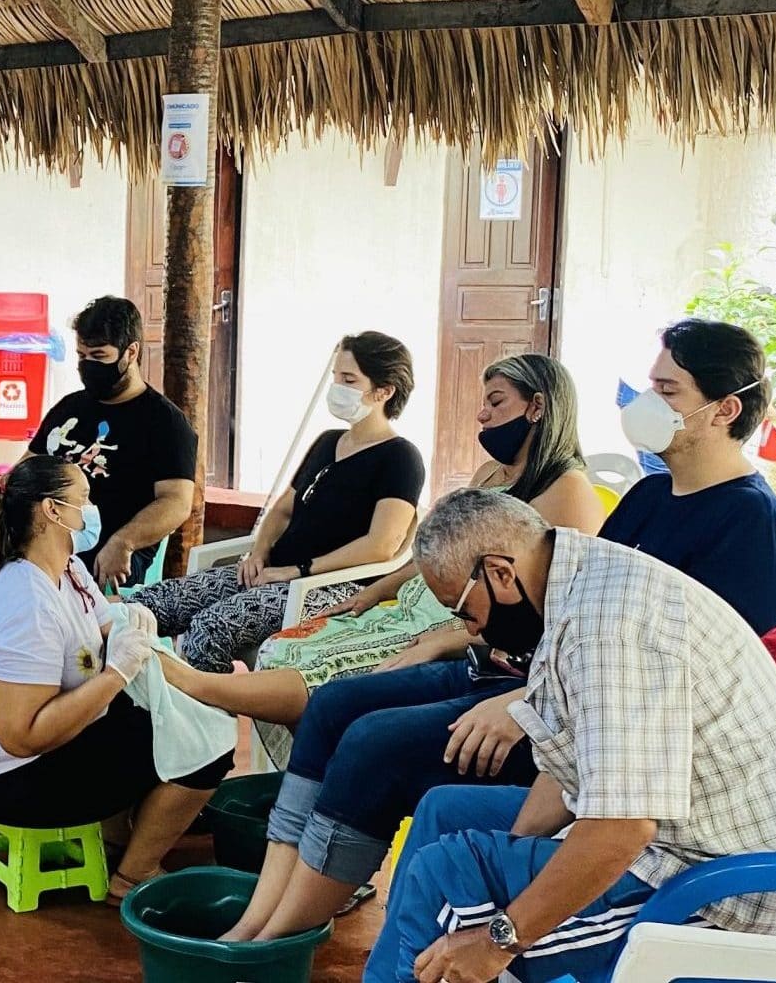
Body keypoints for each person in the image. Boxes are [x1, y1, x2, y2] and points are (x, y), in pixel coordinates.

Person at [364, 489, 776, 983]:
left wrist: (502, 935)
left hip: (725, 897)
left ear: (500, 573)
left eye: (463, 610)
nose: (471, 628)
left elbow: (623, 828)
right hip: (686, 837)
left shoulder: (609, 627)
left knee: (445, 877)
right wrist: (512, 861)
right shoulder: (574, 582)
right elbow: (571, 771)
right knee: (444, 812)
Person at [166, 353, 603, 763]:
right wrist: (373, 593)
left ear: (538, 407)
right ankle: (311, 770)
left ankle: (210, 692)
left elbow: (553, 609)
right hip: (412, 602)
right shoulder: (491, 474)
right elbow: (436, 551)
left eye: (496, 402)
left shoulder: (569, 491)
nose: (482, 416)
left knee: (336, 672)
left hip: (458, 619)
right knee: (286, 646)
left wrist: (451, 639)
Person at [0, 455, 235, 901]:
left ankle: (118, 836)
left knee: (176, 715)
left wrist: (129, 622)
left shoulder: (69, 568)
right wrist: (116, 673)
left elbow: (104, 624)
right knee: (208, 744)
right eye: (82, 500)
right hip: (7, 780)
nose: (90, 512)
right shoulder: (25, 602)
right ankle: (132, 876)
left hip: (28, 756)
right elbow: (20, 736)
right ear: (52, 511)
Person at [128, 331, 424, 672]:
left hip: (329, 586)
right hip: (274, 571)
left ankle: (208, 718)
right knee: (147, 605)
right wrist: (258, 553)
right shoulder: (328, 442)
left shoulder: (401, 458)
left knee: (207, 630)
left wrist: (298, 571)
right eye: (335, 377)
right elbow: (283, 509)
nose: (336, 387)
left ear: (384, 391)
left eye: (349, 379)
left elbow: (381, 545)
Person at [603, 318, 776, 634]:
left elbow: (711, 661)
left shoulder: (759, 528)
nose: (647, 402)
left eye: (667, 390)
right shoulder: (648, 493)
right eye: (652, 387)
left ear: (725, 411)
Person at [32, 296, 195, 589]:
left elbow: (177, 501)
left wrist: (125, 541)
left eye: (99, 356)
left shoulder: (165, 423)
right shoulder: (68, 409)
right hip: (41, 555)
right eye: (82, 356)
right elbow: (26, 469)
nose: (88, 365)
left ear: (131, 352)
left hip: (109, 560)